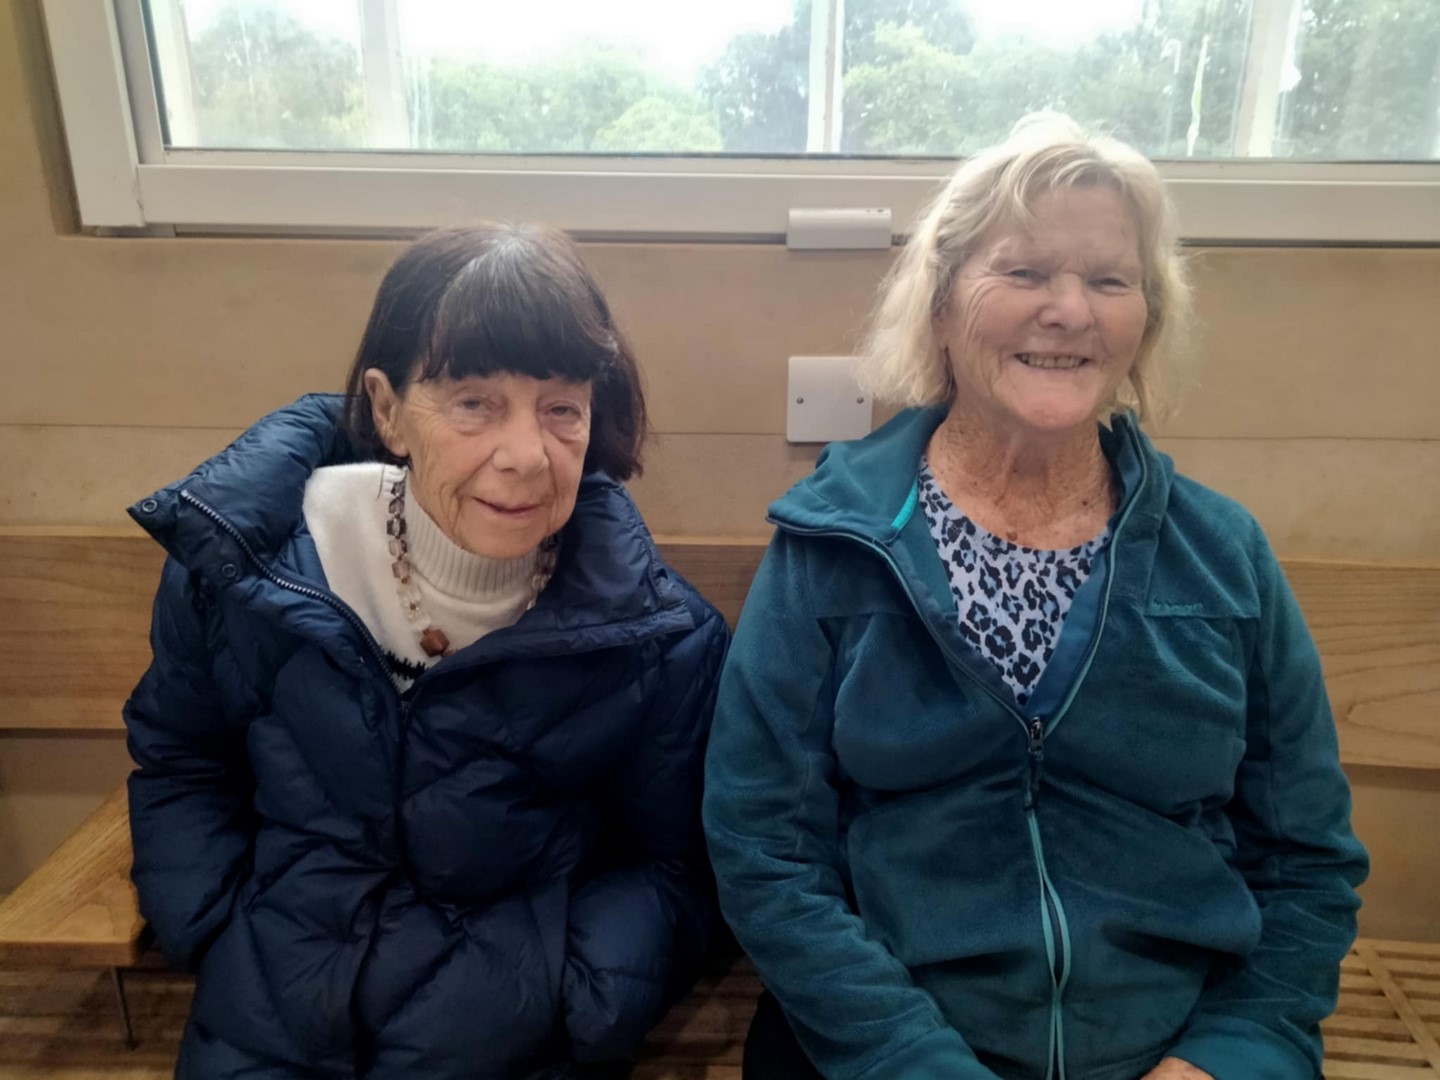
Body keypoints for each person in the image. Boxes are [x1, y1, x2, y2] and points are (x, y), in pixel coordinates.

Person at [703, 115, 1368, 1080]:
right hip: (887, 1046)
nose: (1069, 311)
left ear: (1148, 320)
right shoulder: (833, 544)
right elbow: (765, 850)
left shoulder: (1224, 556)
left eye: (1110, 280)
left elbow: (1307, 858)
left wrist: (1236, 1050)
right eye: (1024, 272)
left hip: (1176, 1044)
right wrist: (913, 1061)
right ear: (941, 304)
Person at [123, 224, 729, 1079]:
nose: (526, 456)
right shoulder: (244, 572)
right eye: (475, 402)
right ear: (387, 410)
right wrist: (215, 927)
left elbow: (675, 863)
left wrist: (584, 996)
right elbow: (182, 758)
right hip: (264, 1024)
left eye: (561, 408)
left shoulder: (661, 641)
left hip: (510, 1045)